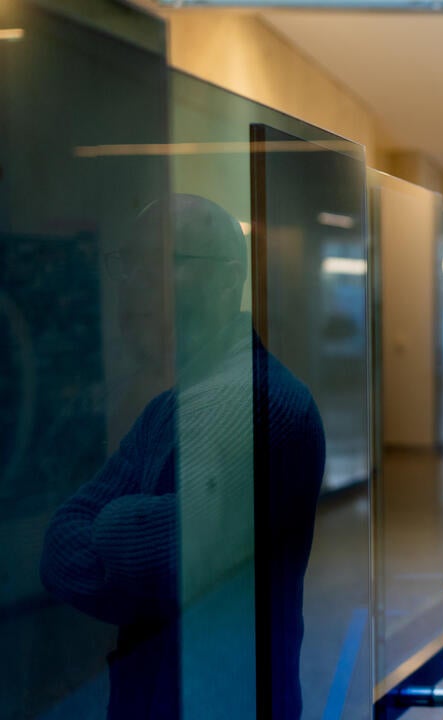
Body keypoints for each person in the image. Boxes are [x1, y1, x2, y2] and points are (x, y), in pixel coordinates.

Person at [40, 194, 325, 719]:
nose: (135, 286)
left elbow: (172, 558)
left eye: (163, 264)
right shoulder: (175, 403)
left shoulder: (235, 402)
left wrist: (110, 525)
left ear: (227, 278)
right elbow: (58, 546)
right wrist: (123, 529)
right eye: (129, 264)